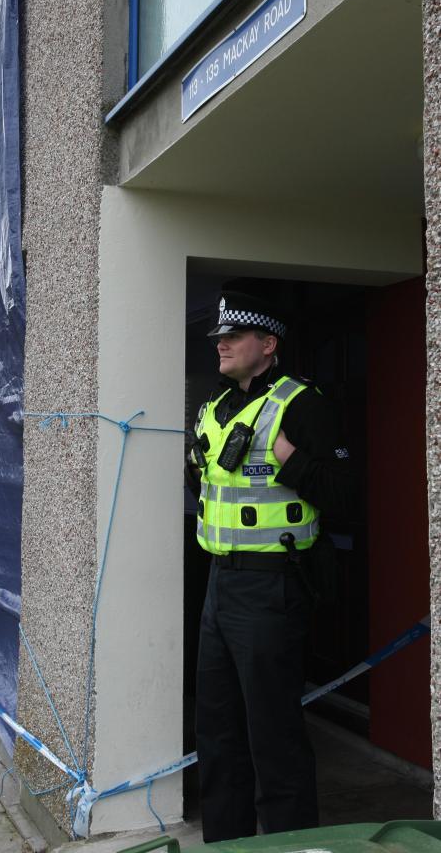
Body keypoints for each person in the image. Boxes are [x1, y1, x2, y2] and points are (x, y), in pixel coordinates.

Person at [186, 289, 354, 842]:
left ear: (268, 343)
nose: (221, 345)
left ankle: (291, 843)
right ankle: (228, 844)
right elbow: (204, 483)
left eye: (234, 336)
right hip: (218, 586)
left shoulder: (302, 403)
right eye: (219, 338)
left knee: (274, 738)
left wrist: (289, 459)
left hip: (272, 589)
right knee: (217, 735)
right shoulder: (215, 407)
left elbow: (343, 494)